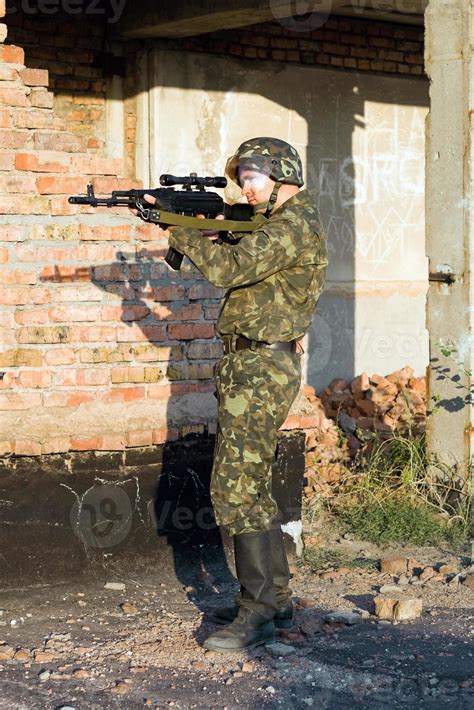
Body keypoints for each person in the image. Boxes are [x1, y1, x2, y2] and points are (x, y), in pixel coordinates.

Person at [144, 137, 328, 652]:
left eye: (253, 178)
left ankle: (256, 613)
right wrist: (190, 229)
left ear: (282, 177)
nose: (243, 189)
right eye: (241, 178)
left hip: (263, 365)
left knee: (234, 486)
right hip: (251, 361)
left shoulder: (293, 226)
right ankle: (276, 597)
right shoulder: (271, 222)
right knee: (251, 483)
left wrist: (181, 227)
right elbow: (220, 256)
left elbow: (229, 269)